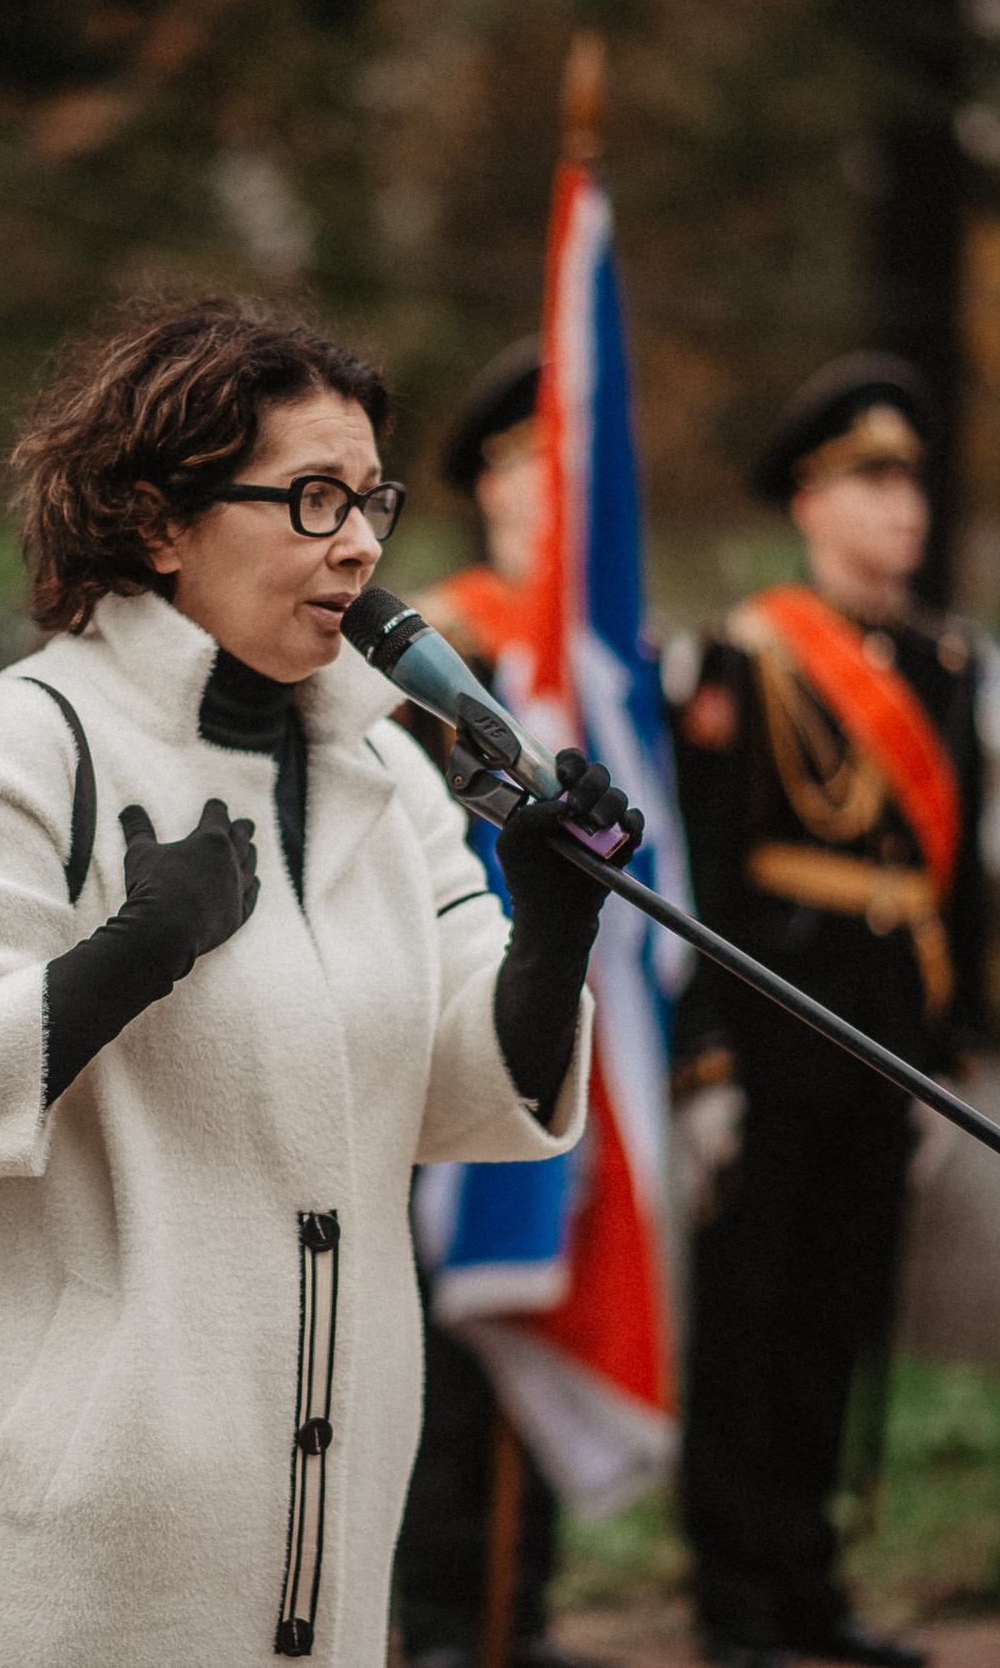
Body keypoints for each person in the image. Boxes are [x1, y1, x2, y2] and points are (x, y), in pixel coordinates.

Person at [0, 299, 645, 1667]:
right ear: (159, 520)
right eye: (313, 498)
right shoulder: (22, 746)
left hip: (313, 1539)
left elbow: (450, 1089)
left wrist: (552, 931)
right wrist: (129, 957)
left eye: (370, 497)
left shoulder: (386, 773)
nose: (365, 542)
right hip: (62, 1564)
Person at [665, 354, 986, 1668]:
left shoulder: (946, 660)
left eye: (911, 479)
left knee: (839, 1318)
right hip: (776, 1027)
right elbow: (704, 874)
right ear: (809, 502)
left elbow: (971, 877)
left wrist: (949, 1057)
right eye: (872, 479)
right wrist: (709, 1064)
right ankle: (732, 1596)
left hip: (889, 1034)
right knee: (746, 1321)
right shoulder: (744, 656)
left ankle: (811, 1585)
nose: (902, 507)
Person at [393, 338, 597, 1668]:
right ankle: (446, 1619)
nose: (549, 487)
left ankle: (526, 1610)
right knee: (446, 1348)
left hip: (559, 1017)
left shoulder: (599, 648)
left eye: (564, 461)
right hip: (448, 1007)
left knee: (555, 1305)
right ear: (485, 485)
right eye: (526, 464)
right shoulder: (440, 647)